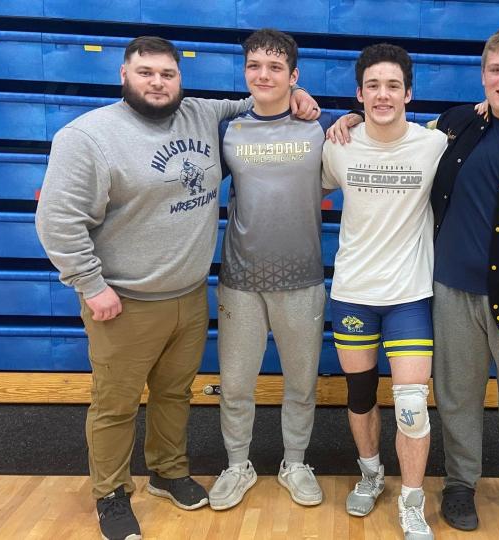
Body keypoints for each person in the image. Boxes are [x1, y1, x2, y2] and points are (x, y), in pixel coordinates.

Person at [35, 36, 318, 540]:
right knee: (115, 404)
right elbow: (57, 221)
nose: (157, 82)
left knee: (172, 394)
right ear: (124, 74)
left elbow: (259, 97)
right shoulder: (88, 136)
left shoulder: (200, 114)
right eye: (146, 72)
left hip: (188, 294)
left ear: (180, 79)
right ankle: (112, 494)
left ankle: (167, 473)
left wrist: (308, 101)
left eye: (167, 73)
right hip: (124, 300)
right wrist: (90, 284)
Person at [328, 26, 499, 540]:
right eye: (496, 69)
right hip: (449, 291)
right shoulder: (451, 128)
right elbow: (391, 129)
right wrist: (353, 118)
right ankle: (459, 483)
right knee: (455, 397)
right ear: (483, 75)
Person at [321, 43, 447, 540]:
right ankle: (371, 474)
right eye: (372, 85)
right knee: (359, 394)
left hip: (409, 297)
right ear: (359, 93)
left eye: (393, 85)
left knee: (412, 402)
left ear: (409, 93)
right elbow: (311, 188)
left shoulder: (432, 145)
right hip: (353, 292)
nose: (383, 94)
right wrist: (340, 120)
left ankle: (412, 501)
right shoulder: (338, 145)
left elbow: (480, 120)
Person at [208, 28, 326, 512]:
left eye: (276, 68)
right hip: (240, 280)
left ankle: (295, 462)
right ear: (245, 72)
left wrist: (351, 112)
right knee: (235, 384)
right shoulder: (227, 128)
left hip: (302, 279)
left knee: (301, 383)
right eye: (255, 65)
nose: (264, 74)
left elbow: (370, 130)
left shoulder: (320, 128)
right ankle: (238, 464)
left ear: (293, 76)